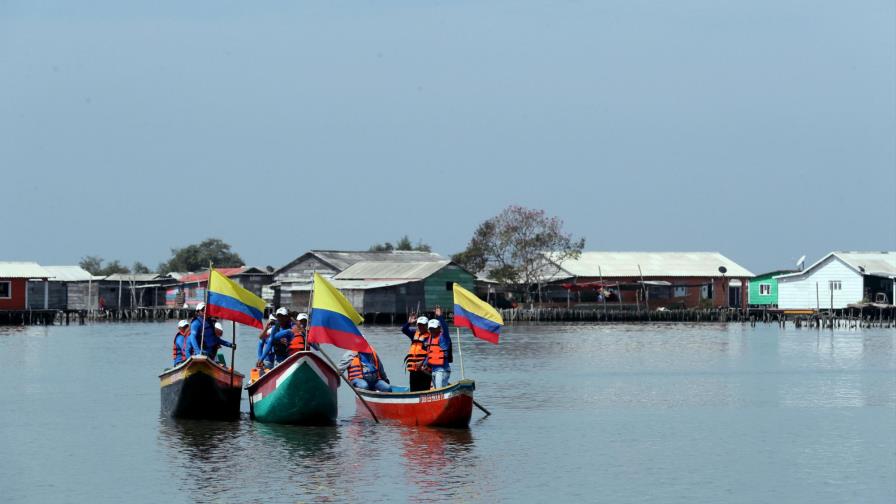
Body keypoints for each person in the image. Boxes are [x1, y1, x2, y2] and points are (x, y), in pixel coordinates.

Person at [401, 313, 431, 392]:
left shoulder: (430, 337)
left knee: (424, 390)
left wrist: (423, 363)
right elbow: (404, 329)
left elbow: (431, 353)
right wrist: (409, 322)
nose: (421, 327)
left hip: (424, 369)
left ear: (427, 325)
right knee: (414, 391)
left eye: (423, 325)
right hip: (413, 370)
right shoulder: (414, 334)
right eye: (419, 325)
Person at [421, 318, 451, 389]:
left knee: (439, 391)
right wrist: (424, 364)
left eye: (434, 328)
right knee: (436, 391)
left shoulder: (444, 337)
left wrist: (440, 316)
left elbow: (446, 328)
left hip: (442, 370)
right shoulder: (430, 339)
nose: (432, 330)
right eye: (430, 328)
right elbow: (430, 354)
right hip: (434, 370)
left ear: (439, 328)